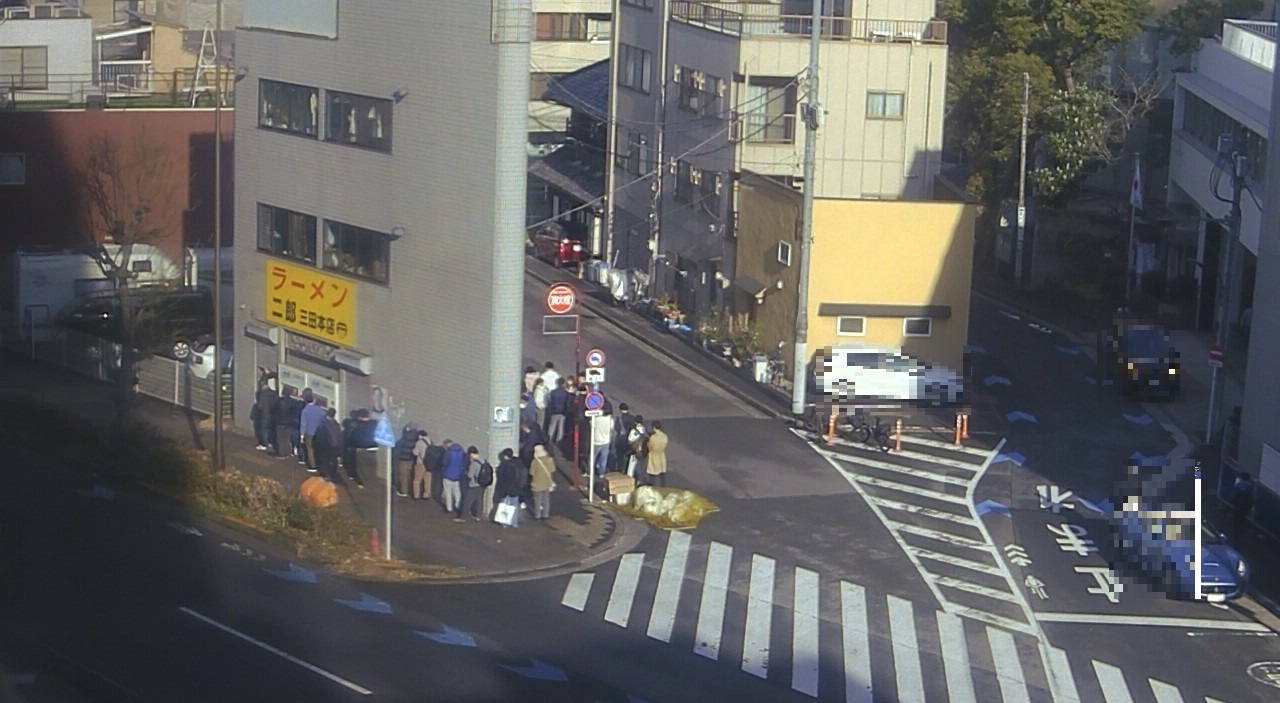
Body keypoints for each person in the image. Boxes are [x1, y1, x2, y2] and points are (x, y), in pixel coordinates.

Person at [494, 449, 525, 527]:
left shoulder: (505, 465)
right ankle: (514, 523)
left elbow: (503, 479)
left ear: (505, 456)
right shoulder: (518, 463)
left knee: (505, 506)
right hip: (517, 488)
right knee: (514, 506)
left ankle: (505, 523)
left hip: (507, 489)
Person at [274, 387, 303, 460]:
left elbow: (274, 409)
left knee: (281, 439)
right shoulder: (292, 402)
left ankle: (282, 454)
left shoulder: (279, 401)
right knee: (287, 439)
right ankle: (288, 452)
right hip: (289, 422)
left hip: (280, 422)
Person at [315, 406, 344, 481]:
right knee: (333, 459)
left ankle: (324, 474)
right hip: (335, 445)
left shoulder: (323, 424)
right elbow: (339, 435)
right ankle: (333, 473)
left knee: (324, 459)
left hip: (325, 445)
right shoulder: (337, 425)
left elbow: (319, 436)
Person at [299, 389, 324, 472]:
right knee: (317, 449)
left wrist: (302, 436)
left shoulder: (305, 411)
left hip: (309, 433)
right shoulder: (319, 409)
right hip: (319, 433)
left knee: (310, 449)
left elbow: (303, 424)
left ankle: (313, 466)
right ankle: (319, 463)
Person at [460, 446, 487, 523]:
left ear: (471, 454)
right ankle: (478, 516)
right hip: (482, 484)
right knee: (480, 501)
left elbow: (470, 475)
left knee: (467, 501)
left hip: (474, 485)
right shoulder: (483, 460)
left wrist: (466, 473)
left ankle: (463, 517)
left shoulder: (474, 463)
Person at [441, 440, 466, 519]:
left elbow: (444, 463)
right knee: (457, 492)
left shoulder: (449, 452)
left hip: (447, 475)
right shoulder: (462, 452)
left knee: (448, 492)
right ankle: (457, 505)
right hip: (457, 476)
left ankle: (449, 508)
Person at [529, 444, 556, 521]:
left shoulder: (535, 461)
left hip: (537, 483)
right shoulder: (549, 459)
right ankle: (545, 514)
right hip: (547, 483)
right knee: (546, 499)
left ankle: (537, 516)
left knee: (537, 500)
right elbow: (552, 469)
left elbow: (531, 472)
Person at [253, 372, 276, 451]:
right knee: (270, 429)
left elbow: (261, 405)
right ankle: (270, 442)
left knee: (264, 430)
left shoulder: (262, 394)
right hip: (272, 414)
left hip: (264, 414)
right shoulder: (273, 393)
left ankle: (264, 444)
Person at [1231, 471, 1256, 541]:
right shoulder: (1250, 486)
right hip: (1245, 507)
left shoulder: (1238, 484)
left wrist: (1231, 500)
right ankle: (1240, 534)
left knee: (1236, 519)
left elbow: (1233, 494)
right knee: (1242, 519)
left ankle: (1236, 535)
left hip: (1237, 505)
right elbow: (1252, 497)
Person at [544, 377, 570, 444]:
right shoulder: (566, 393)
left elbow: (550, 403)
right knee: (561, 427)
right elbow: (567, 404)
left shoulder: (553, 392)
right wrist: (566, 411)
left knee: (552, 427)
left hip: (554, 412)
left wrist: (550, 411)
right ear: (564, 383)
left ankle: (549, 439)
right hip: (563, 412)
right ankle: (559, 440)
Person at [645, 420, 669, 487]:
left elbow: (649, 446)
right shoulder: (665, 436)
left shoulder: (653, 437)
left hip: (654, 455)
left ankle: (651, 486)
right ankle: (663, 486)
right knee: (662, 472)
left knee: (652, 473)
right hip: (661, 455)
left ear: (654, 427)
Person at [411, 430, 433, 500]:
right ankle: (426, 494)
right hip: (429, 464)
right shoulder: (430, 442)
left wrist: (413, 450)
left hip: (421, 463)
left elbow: (415, 453)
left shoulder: (419, 442)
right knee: (427, 480)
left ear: (420, 435)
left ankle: (416, 495)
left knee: (417, 480)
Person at [591, 409, 613, 478]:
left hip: (596, 441)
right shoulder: (610, 420)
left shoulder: (596, 419)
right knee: (604, 458)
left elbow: (591, 425)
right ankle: (601, 473)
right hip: (606, 441)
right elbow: (611, 428)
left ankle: (590, 470)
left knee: (593, 457)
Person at [627, 415, 649, 480]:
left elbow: (629, 441)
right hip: (644, 450)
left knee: (636, 466)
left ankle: (638, 479)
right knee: (642, 465)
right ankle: (642, 478)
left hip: (637, 450)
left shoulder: (633, 431)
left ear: (635, 422)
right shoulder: (644, 429)